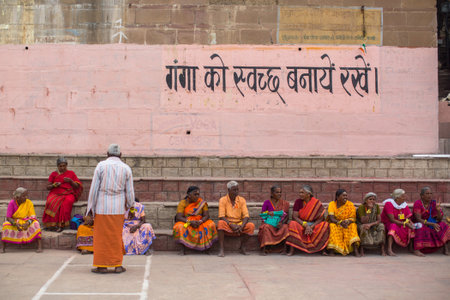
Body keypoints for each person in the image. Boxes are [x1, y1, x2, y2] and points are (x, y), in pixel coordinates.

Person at [86, 144, 135, 274]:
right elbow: (130, 192)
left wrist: (90, 208)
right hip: (118, 208)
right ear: (121, 155)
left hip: (102, 207)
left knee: (101, 237)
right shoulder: (126, 168)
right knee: (116, 236)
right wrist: (131, 208)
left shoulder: (101, 166)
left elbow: (94, 189)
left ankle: (102, 266)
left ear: (107, 154)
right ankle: (117, 265)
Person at [173, 186, 218, 255]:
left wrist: (200, 221)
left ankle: (208, 248)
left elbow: (206, 215)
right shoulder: (183, 203)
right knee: (179, 226)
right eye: (195, 194)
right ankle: (182, 249)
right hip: (188, 222)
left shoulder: (202, 203)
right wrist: (190, 222)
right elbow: (179, 217)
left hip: (200, 222)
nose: (197, 196)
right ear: (189, 195)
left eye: (198, 194)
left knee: (211, 224)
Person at [286, 185, 329, 256]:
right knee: (292, 223)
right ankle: (292, 250)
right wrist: (305, 225)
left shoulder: (316, 203)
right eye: (300, 192)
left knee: (325, 224)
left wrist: (311, 226)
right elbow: (295, 216)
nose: (300, 194)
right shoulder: (298, 202)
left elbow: (321, 218)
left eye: (302, 193)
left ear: (308, 194)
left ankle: (323, 249)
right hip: (302, 224)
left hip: (313, 224)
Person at [43, 157, 83, 232]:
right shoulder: (53, 174)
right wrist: (54, 185)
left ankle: (62, 225)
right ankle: (52, 225)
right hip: (55, 193)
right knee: (50, 202)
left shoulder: (71, 173)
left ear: (66, 165)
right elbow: (48, 187)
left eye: (64, 166)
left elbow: (77, 186)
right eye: (60, 166)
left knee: (66, 203)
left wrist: (71, 181)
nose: (62, 168)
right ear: (57, 166)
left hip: (69, 193)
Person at [217, 181, 255, 257]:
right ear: (228, 190)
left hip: (239, 225)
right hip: (228, 224)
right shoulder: (223, 200)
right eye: (234, 190)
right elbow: (221, 216)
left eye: (237, 189)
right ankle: (221, 249)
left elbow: (246, 216)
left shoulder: (242, 200)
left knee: (251, 226)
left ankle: (243, 246)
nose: (236, 192)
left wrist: (242, 226)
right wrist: (231, 225)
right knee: (220, 223)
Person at [1, 187, 42, 253]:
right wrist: (15, 224)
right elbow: (8, 217)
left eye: (26, 195)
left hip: (27, 220)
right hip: (15, 221)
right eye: (23, 196)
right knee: (5, 225)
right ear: (17, 197)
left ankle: (39, 246)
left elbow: (33, 216)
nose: (26, 197)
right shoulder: (12, 203)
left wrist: (28, 223)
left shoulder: (29, 202)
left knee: (36, 224)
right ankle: (2, 247)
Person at [412, 187, 449, 255]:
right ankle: (417, 249)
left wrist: (438, 210)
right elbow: (418, 219)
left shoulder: (433, 203)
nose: (429, 195)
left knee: (443, 225)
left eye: (430, 193)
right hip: (418, 223)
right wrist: (431, 224)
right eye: (427, 193)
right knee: (421, 227)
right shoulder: (418, 203)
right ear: (422, 196)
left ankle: (445, 247)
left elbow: (439, 219)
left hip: (431, 223)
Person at [381, 189, 416, 256]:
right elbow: (392, 219)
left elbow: (407, 217)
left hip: (402, 223)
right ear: (397, 198)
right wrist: (404, 224)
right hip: (389, 223)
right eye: (403, 196)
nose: (404, 198)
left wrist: (409, 222)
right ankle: (389, 249)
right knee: (393, 226)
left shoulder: (404, 205)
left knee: (412, 226)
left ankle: (411, 248)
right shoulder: (389, 204)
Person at [327, 189, 361, 256]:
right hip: (336, 223)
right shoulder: (332, 204)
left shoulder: (350, 204)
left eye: (346, 195)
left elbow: (353, 218)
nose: (345, 197)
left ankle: (355, 250)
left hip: (347, 223)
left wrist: (347, 221)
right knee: (332, 226)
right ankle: (332, 250)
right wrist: (340, 222)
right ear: (337, 197)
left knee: (353, 226)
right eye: (343, 196)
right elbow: (331, 218)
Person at [258, 185, 290, 255]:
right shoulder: (267, 202)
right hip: (269, 223)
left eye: (280, 192)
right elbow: (262, 215)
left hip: (280, 224)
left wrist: (281, 223)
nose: (279, 194)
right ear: (272, 193)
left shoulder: (285, 203)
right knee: (265, 227)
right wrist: (268, 214)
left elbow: (287, 216)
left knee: (285, 227)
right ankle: (265, 248)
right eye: (277, 192)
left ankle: (284, 249)